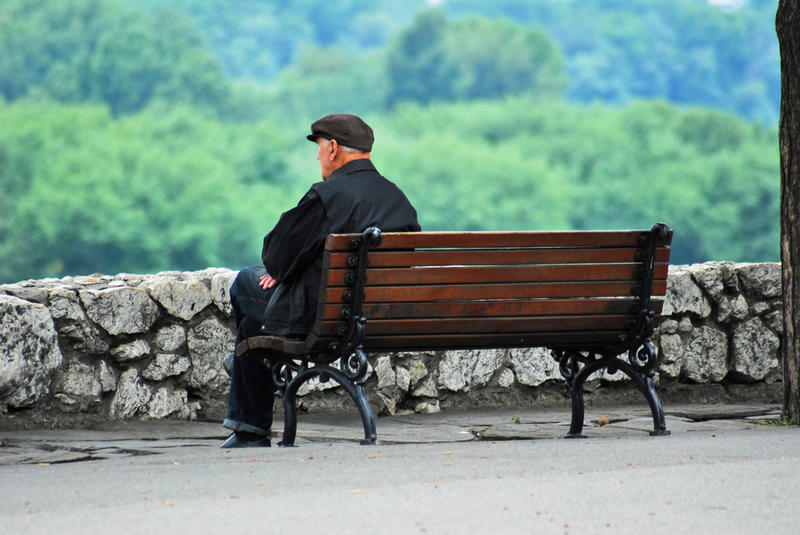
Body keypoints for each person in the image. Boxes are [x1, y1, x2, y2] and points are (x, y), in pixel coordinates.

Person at [221, 114, 421, 448]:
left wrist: (285, 272)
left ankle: (249, 412)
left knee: (245, 282)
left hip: (322, 319)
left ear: (332, 149)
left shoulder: (328, 196)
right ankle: (246, 376)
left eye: (318, 149)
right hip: (379, 318)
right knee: (254, 320)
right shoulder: (398, 200)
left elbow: (275, 255)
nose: (317, 158)